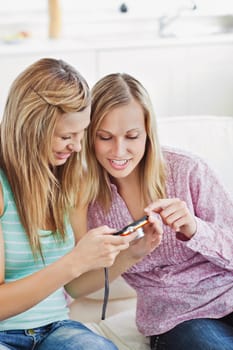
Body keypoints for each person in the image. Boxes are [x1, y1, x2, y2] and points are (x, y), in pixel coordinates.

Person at [77, 72, 233, 350]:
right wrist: (129, 254)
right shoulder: (87, 201)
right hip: (178, 319)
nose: (119, 150)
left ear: (148, 132)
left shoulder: (188, 171)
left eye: (132, 136)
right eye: (105, 137)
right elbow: (76, 285)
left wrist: (195, 229)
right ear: (90, 136)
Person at [0, 59, 144, 350]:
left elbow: (75, 286)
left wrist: (129, 254)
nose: (78, 147)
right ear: (31, 129)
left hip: (55, 328)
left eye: (82, 134)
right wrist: (75, 259)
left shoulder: (72, 180)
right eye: (66, 136)